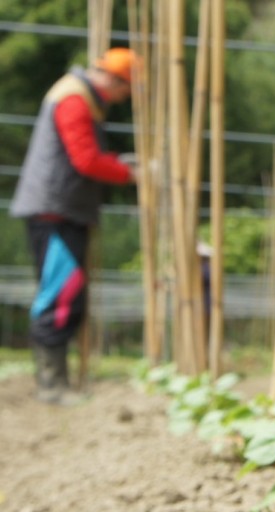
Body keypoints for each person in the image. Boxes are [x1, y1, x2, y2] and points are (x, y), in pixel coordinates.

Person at [10, 47, 140, 404]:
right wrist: (128, 173)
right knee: (60, 296)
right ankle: (52, 386)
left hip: (61, 211)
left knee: (64, 294)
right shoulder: (75, 99)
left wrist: (118, 163)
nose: (124, 97)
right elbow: (84, 159)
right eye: (125, 88)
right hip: (55, 212)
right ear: (114, 79)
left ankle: (55, 381)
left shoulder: (79, 96)